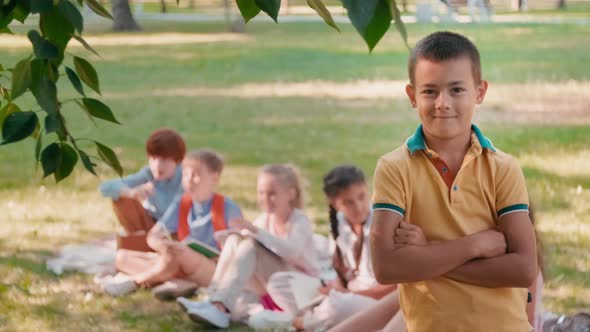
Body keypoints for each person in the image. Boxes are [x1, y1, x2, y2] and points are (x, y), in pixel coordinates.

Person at [370, 31, 537, 332]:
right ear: (412, 96)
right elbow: (387, 267)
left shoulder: (503, 168)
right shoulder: (393, 168)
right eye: (430, 91)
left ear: (480, 91)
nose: (443, 103)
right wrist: (475, 245)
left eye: (457, 90)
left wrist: (425, 254)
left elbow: (523, 269)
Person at [254, 165, 397, 331]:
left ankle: (296, 323)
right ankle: (317, 318)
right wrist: (331, 289)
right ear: (334, 203)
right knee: (279, 282)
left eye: (361, 197)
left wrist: (346, 295)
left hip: (372, 301)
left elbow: (396, 289)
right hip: (344, 295)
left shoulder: (384, 225)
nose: (358, 207)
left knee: (337, 305)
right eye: (348, 202)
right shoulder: (339, 222)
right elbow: (343, 273)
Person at [177, 164, 318, 329]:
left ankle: (220, 307)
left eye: (272, 194)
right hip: (268, 281)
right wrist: (230, 238)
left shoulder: (299, 221)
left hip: (296, 284)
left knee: (250, 243)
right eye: (261, 193)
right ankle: (213, 299)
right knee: (235, 240)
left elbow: (291, 251)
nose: (265, 198)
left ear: (291, 194)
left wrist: (255, 231)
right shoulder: (266, 218)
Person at [98, 149, 242, 299]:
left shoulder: (227, 207)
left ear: (214, 177)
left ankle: (135, 281)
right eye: (186, 175)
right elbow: (153, 236)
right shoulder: (182, 202)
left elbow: (240, 247)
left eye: (196, 175)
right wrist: (163, 245)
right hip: (177, 262)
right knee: (121, 257)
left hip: (212, 269)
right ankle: (180, 282)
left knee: (180, 255)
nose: (189, 180)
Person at [100, 128, 185, 251]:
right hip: (151, 225)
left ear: (177, 161)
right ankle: (142, 243)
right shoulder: (148, 174)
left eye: (164, 160)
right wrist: (132, 192)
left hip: (176, 230)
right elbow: (105, 188)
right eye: (154, 158)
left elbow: (177, 213)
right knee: (121, 199)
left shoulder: (185, 177)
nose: (158, 165)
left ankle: (148, 246)